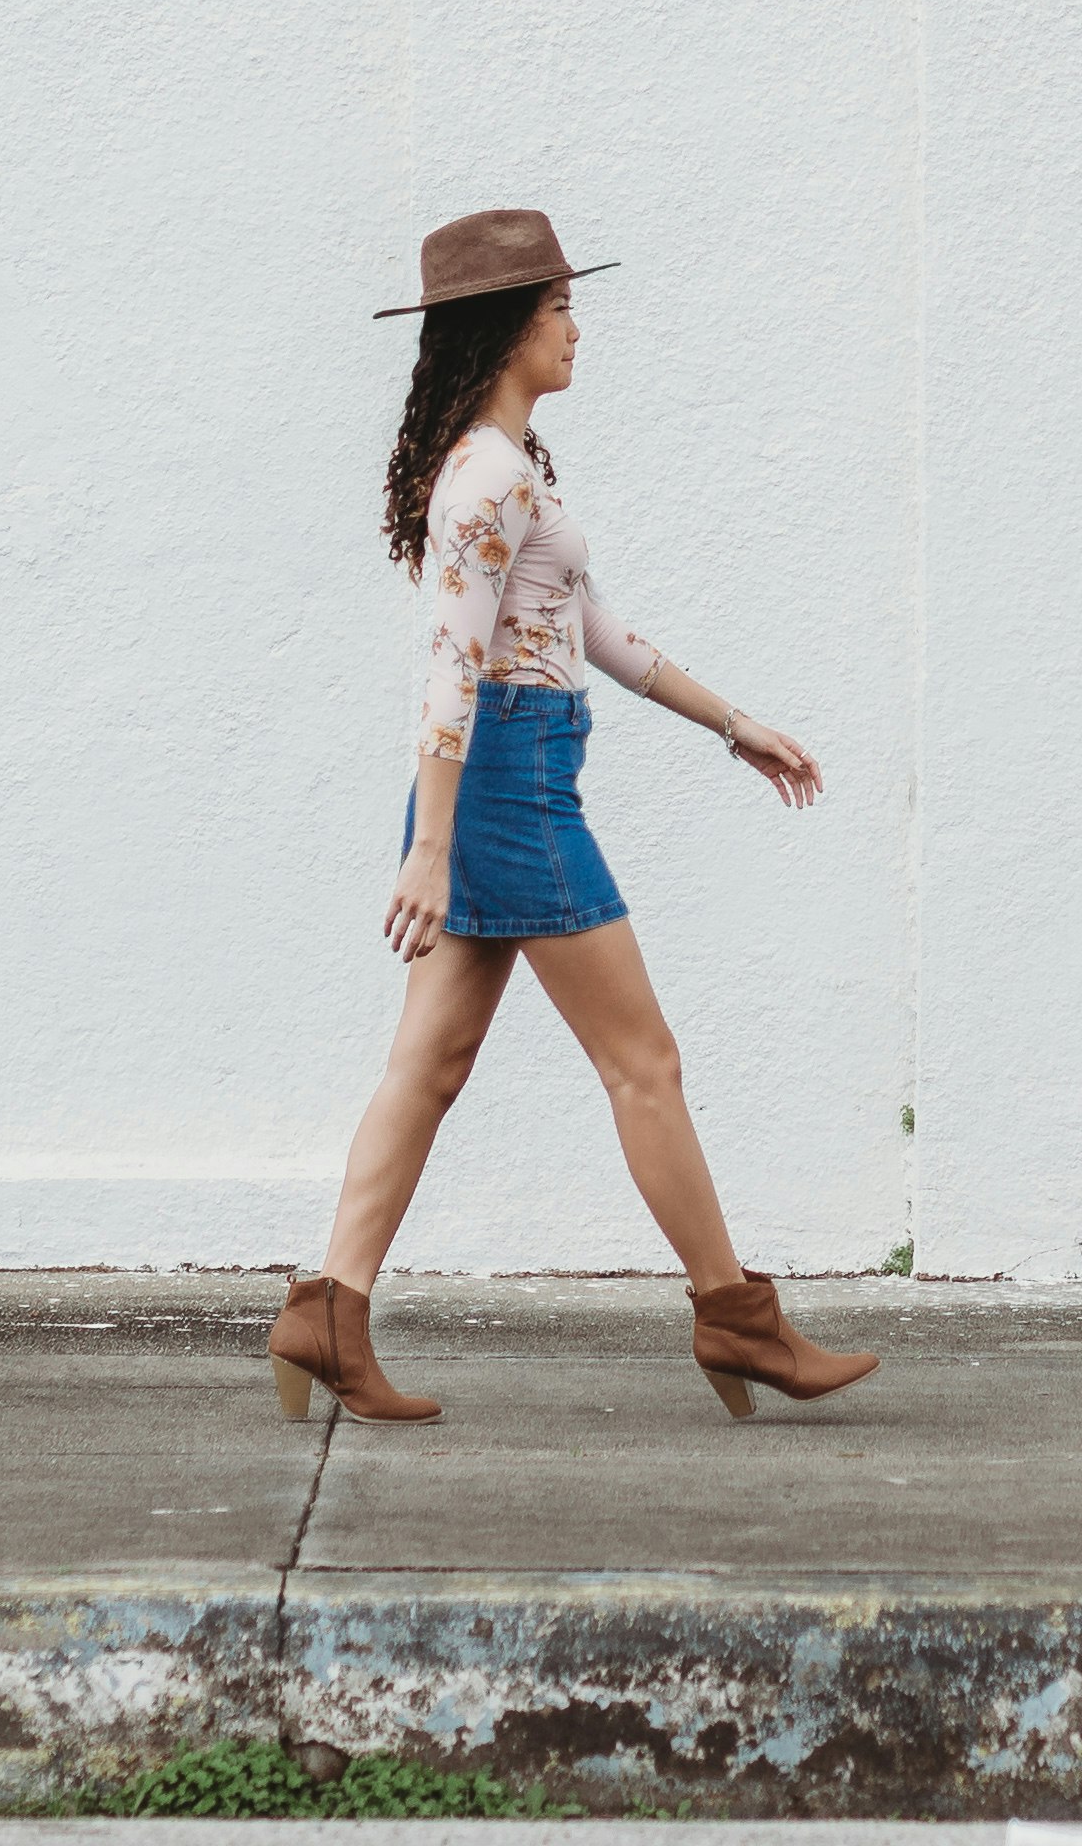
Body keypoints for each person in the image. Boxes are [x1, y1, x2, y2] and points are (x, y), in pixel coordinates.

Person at [267, 207, 885, 1428]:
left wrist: (732, 719)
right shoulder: (489, 480)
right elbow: (450, 667)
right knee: (642, 1060)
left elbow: (595, 632)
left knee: (428, 1064)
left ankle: (326, 1312)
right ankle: (735, 1315)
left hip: (502, 777)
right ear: (508, 327)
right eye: (559, 311)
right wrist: (435, 847)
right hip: (507, 786)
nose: (576, 329)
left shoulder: (509, 466)